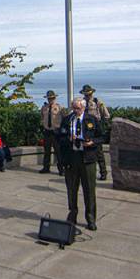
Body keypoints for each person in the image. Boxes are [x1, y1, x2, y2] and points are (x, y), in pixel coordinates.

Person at [59, 97, 100, 230]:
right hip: (72, 157)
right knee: (72, 189)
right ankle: (72, 215)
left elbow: (102, 136)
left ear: (83, 108)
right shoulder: (67, 120)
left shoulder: (91, 120)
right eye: (74, 108)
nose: (76, 111)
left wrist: (92, 142)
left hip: (87, 158)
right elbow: (60, 137)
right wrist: (68, 139)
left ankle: (91, 218)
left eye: (78, 108)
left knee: (89, 190)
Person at [81, 85, 110, 181]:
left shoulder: (97, 102)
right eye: (85, 94)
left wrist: (99, 125)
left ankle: (103, 173)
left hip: (94, 130)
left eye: (89, 94)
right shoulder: (82, 103)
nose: (87, 96)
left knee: (99, 153)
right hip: (84, 129)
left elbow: (106, 115)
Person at [39, 90, 64, 174]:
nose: (50, 100)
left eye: (52, 98)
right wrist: (43, 124)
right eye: (49, 98)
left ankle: (61, 169)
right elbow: (42, 117)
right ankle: (46, 167)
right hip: (47, 131)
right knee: (47, 151)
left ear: (55, 98)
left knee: (58, 151)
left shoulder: (59, 107)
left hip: (56, 131)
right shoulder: (44, 107)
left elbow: (64, 118)